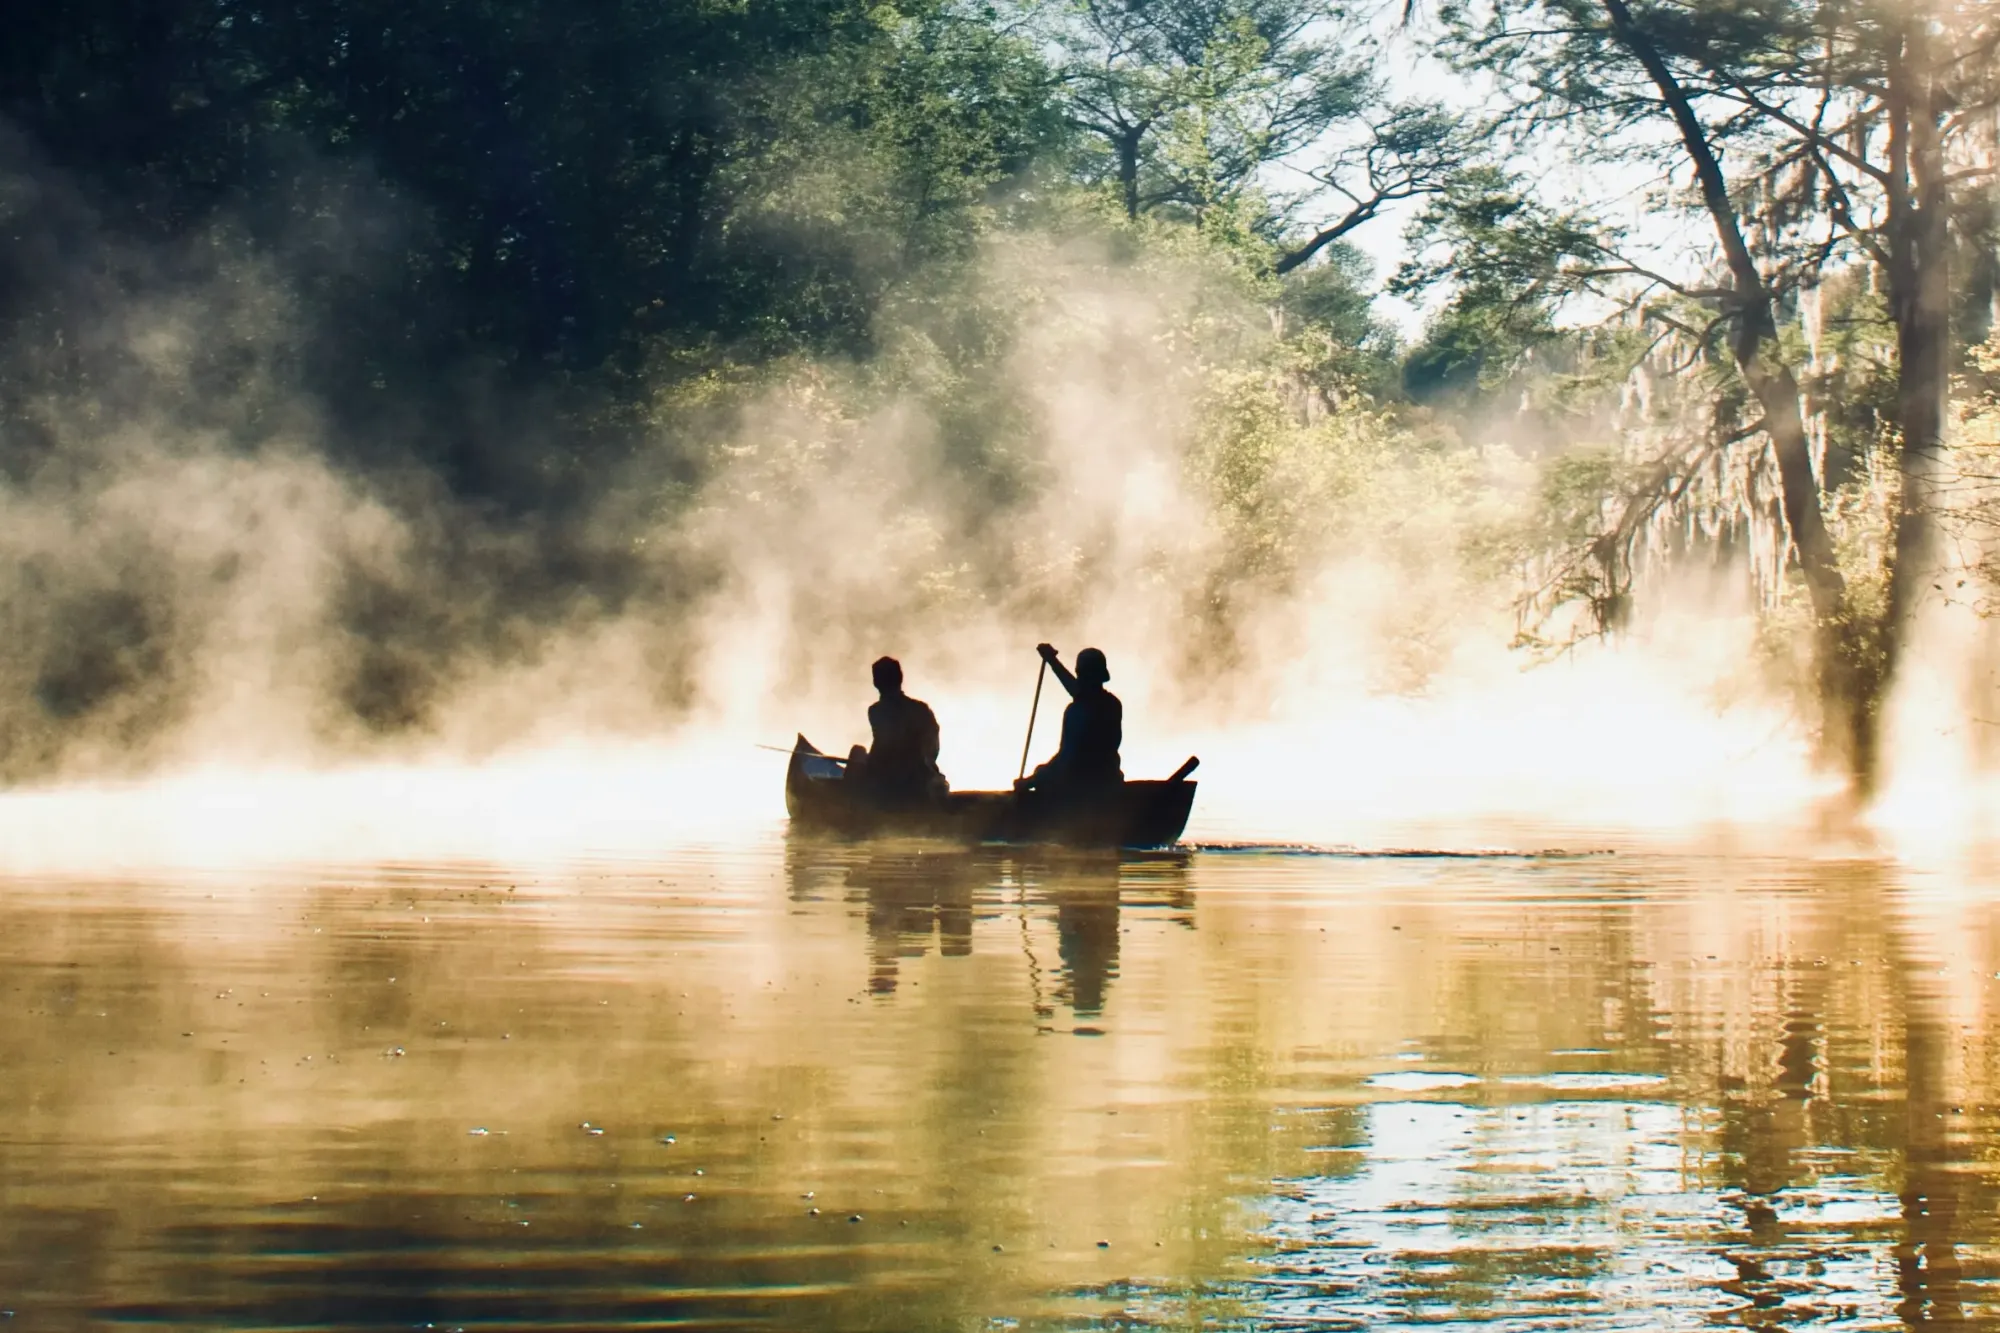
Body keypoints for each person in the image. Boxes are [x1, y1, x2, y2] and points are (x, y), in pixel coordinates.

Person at [846, 656, 948, 808]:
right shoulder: (921, 709)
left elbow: (882, 750)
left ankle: (849, 806)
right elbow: (932, 749)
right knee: (860, 755)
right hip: (922, 780)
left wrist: (862, 765)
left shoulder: (876, 711)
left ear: (876, 683)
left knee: (857, 752)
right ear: (900, 678)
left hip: (895, 785)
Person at [1024, 643, 1123, 792]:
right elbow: (1079, 692)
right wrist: (1052, 660)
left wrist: (1033, 780)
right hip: (1109, 778)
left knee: (1043, 777)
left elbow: (1067, 758)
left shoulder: (1077, 711)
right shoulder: (1112, 704)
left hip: (1081, 784)